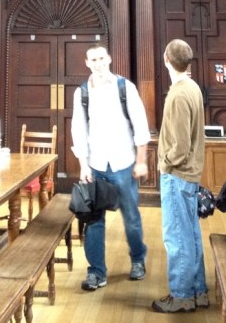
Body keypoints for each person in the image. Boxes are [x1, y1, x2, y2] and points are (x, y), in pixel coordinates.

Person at [71, 44, 150, 291]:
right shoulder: (81, 93)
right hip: (95, 165)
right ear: (86, 63)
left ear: (110, 59)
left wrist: (141, 161)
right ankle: (96, 272)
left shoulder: (125, 87)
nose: (98, 63)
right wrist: (83, 164)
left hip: (123, 163)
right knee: (94, 220)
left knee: (131, 217)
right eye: (93, 59)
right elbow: (79, 130)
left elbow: (140, 125)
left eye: (102, 58)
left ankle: (138, 259)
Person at [152, 38, 208, 314]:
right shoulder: (192, 86)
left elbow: (180, 146)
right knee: (191, 233)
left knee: (176, 236)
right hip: (190, 174)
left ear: (166, 59)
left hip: (177, 174)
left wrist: (164, 162)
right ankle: (198, 290)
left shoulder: (177, 94)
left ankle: (182, 294)